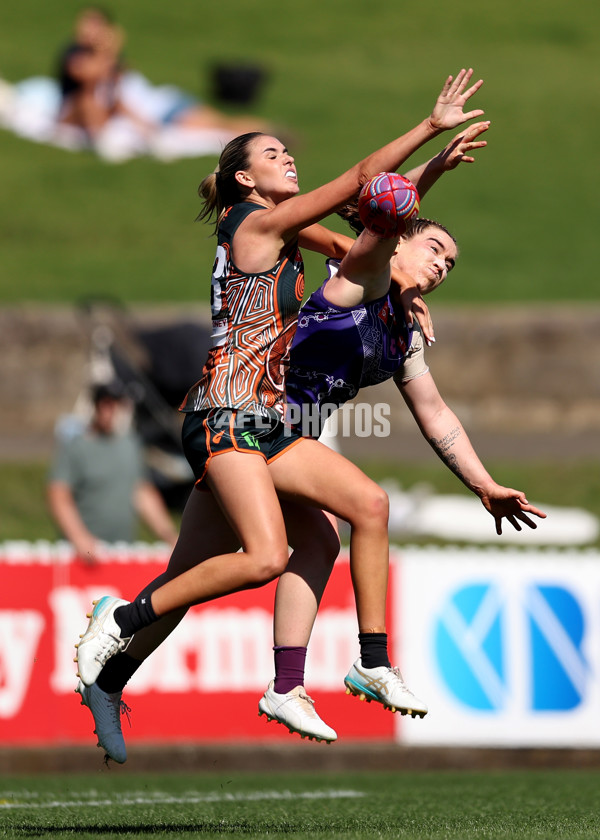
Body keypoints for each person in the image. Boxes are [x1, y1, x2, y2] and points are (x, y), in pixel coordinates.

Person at [73, 68, 491, 759]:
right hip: (228, 415)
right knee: (276, 551)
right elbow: (365, 182)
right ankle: (121, 619)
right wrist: (429, 128)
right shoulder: (260, 224)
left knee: (261, 553)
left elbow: (379, 225)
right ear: (243, 181)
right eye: (272, 155)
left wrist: (420, 220)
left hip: (259, 423)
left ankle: (113, 678)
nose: (287, 158)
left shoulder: (288, 234)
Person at [56, 7, 275, 156]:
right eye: (85, 23)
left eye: (94, 24)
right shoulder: (77, 55)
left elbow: (117, 98)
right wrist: (110, 50)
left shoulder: (114, 65)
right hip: (158, 110)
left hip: (163, 108)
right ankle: (269, 138)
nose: (86, 29)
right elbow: (88, 80)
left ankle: (271, 135)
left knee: (220, 125)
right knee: (220, 127)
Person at [48, 381, 178, 562]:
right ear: (95, 406)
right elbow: (59, 495)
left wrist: (169, 536)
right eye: (105, 403)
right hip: (82, 553)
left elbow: (141, 493)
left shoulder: (130, 446)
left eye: (115, 403)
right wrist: (78, 537)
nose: (110, 410)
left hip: (120, 551)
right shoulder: (75, 447)